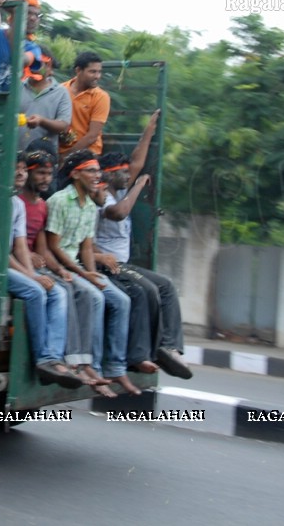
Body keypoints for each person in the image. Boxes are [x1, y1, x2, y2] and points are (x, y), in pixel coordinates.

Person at [93, 112, 192, 379]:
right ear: (107, 176)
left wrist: (148, 129)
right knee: (146, 289)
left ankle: (169, 347)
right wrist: (137, 185)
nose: (128, 175)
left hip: (122, 265)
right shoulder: (102, 197)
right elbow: (120, 212)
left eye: (128, 173)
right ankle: (141, 354)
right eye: (122, 173)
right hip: (107, 265)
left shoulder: (120, 188)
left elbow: (137, 159)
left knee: (166, 286)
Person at [47, 149, 138, 397]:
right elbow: (54, 247)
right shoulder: (59, 201)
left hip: (77, 266)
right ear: (76, 174)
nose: (98, 176)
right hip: (59, 266)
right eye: (92, 171)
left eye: (98, 171)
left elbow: (86, 246)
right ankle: (90, 366)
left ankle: (116, 366)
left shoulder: (89, 206)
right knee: (95, 297)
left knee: (121, 300)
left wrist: (91, 273)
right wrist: (84, 274)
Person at [6, 153, 81, 388]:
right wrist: (31, 277)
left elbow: (20, 246)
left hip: (13, 264)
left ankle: (53, 355)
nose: (20, 173)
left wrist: (35, 275)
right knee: (35, 292)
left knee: (56, 291)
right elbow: (0, 251)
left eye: (23, 169)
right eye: (15, 169)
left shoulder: (17, 204)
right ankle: (43, 359)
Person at [19, 46, 72, 153]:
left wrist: (42, 121)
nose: (35, 66)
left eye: (40, 63)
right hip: (15, 156)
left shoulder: (61, 92)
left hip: (44, 160)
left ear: (49, 68)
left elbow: (63, 125)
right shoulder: (16, 87)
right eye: (32, 62)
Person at [60, 51, 111, 158]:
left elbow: (92, 136)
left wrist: (67, 157)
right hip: (60, 151)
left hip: (88, 154)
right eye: (92, 72)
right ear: (78, 70)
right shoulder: (60, 90)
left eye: (99, 72)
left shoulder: (101, 97)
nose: (97, 76)